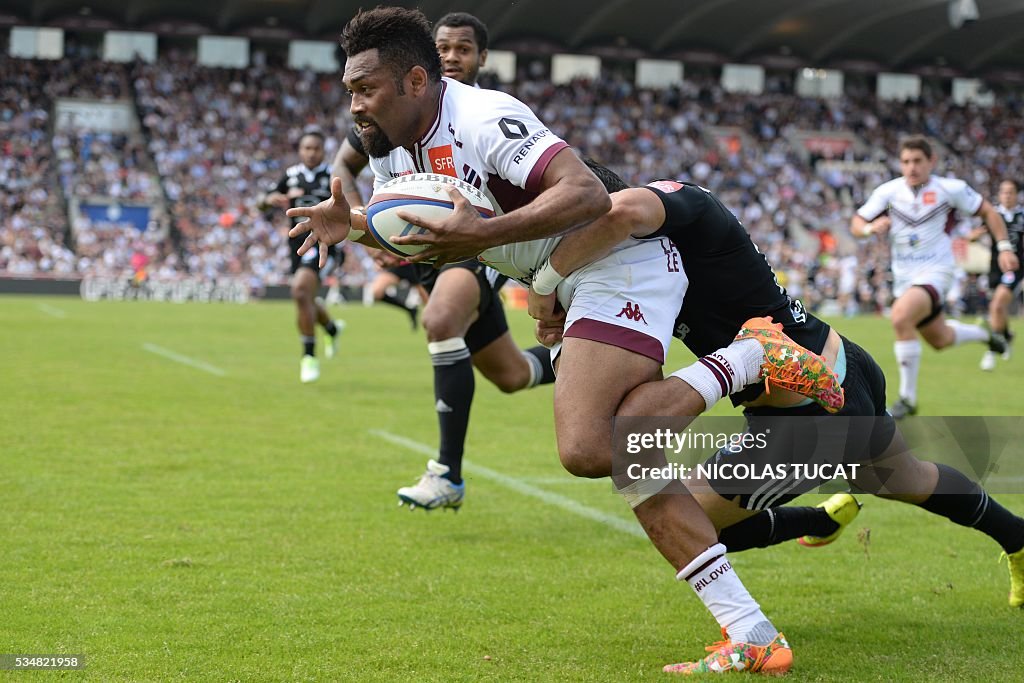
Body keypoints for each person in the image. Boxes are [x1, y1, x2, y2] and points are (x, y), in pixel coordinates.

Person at [289, 8, 851, 674]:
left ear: (415, 80)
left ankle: (753, 353)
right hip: (569, 279)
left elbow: (584, 192)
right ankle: (753, 632)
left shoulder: (483, 118)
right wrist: (351, 225)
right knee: (616, 449)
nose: (353, 104)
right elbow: (417, 228)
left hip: (620, 262)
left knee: (596, 445)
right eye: (349, 89)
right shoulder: (392, 147)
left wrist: (490, 241)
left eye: (366, 89)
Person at [531, 168, 1024, 660]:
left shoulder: (673, 205)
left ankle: (810, 532)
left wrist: (546, 277)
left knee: (688, 521)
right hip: (837, 371)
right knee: (908, 478)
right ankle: (1017, 537)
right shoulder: (640, 268)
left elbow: (623, 211)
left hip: (808, 413)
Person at [331, 11, 560, 511]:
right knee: (512, 375)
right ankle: (576, 358)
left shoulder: (484, 117)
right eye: (443, 48)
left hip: (483, 242)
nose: (452, 57)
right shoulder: (390, 123)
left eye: (463, 49)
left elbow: (583, 192)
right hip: (442, 246)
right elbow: (343, 167)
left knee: (440, 320)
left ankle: (447, 475)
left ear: (481, 58)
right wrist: (363, 223)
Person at [850, 137, 1019, 418]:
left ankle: (907, 399)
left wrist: (1003, 247)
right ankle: (985, 335)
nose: (911, 167)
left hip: (937, 271)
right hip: (904, 275)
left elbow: (988, 210)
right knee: (939, 339)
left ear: (932, 162)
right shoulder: (889, 192)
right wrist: (869, 229)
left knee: (901, 316)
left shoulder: (949, 189)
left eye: (917, 161)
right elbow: (856, 222)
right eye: (906, 162)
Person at [258, 130, 344, 383]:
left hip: (324, 244)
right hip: (296, 245)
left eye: (316, 148)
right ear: (300, 150)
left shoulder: (333, 175)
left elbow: (347, 206)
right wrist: (267, 200)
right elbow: (261, 202)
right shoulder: (291, 175)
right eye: (306, 148)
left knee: (299, 292)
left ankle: (309, 356)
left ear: (323, 151)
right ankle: (331, 327)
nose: (311, 153)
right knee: (306, 296)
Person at [979, 179, 1024, 371]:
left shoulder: (1022, 216)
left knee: (996, 305)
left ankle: (992, 351)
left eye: (1010, 192)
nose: (1006, 195)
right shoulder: (993, 215)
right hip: (994, 268)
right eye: (1003, 192)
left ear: (1017, 195)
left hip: (1014, 268)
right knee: (998, 309)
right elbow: (978, 232)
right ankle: (1006, 335)